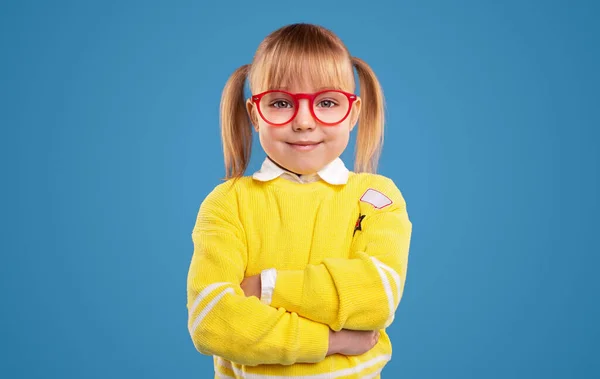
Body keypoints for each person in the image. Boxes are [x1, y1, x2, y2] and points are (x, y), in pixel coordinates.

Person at [186, 23, 413, 379]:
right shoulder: (227, 203)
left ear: (352, 114)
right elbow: (212, 320)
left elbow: (377, 296)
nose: (305, 122)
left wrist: (265, 286)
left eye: (326, 102)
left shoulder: (376, 197)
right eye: (280, 103)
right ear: (254, 115)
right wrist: (329, 340)